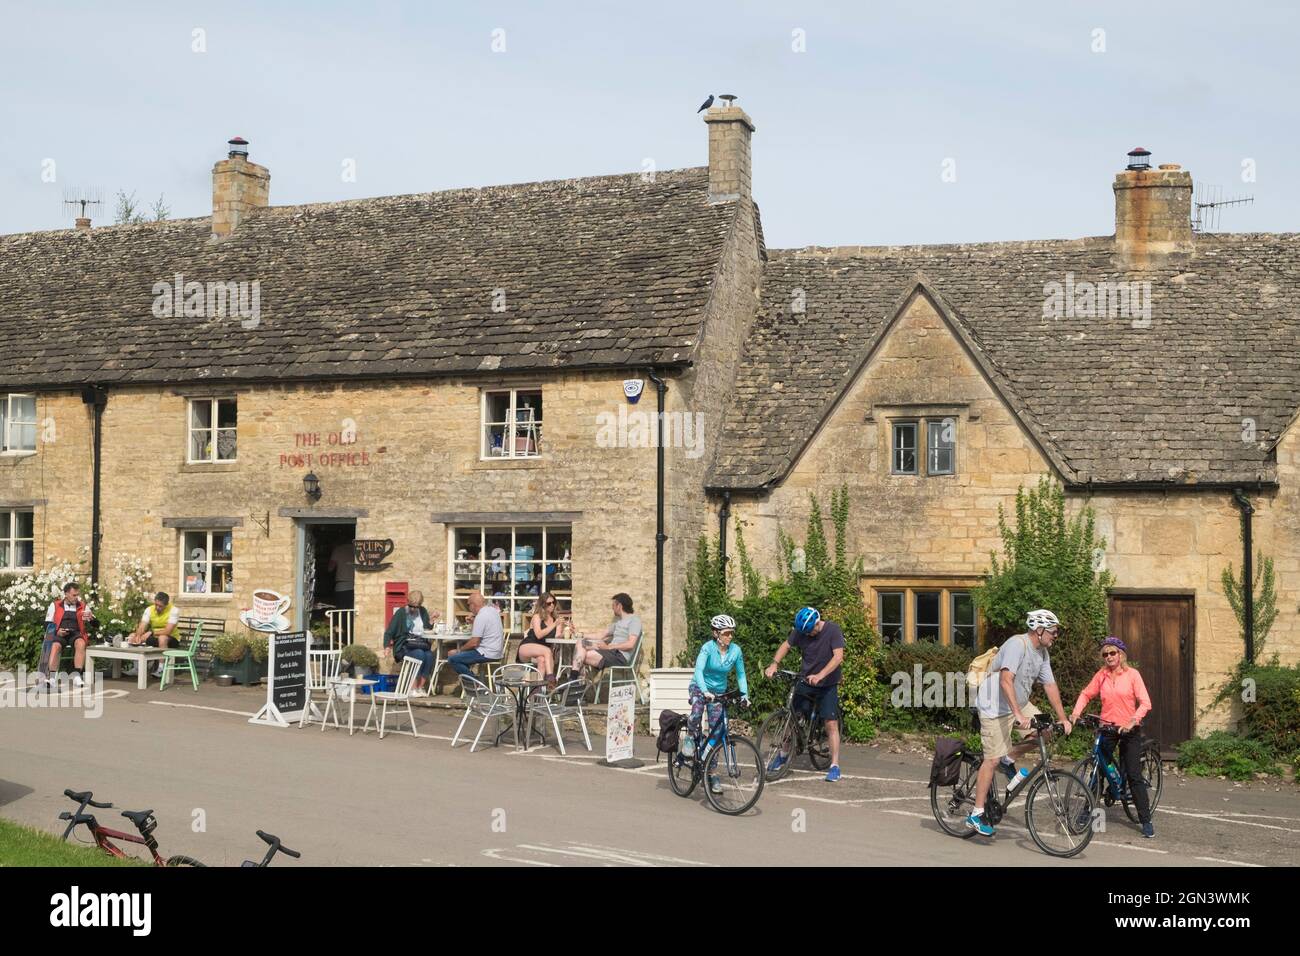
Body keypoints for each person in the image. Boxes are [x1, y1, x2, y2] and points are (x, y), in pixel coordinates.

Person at [966, 609, 1073, 837]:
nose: (1056, 636)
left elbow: (1050, 686)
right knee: (991, 760)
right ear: (1039, 630)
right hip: (994, 706)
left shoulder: (1042, 653)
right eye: (1053, 632)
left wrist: (1063, 718)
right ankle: (976, 813)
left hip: (1018, 703)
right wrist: (1017, 715)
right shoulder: (1018, 645)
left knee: (1045, 732)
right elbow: (1006, 680)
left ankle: (1010, 758)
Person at [1069, 636, 1155, 838]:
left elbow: (1145, 703)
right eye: (1105, 654)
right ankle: (1087, 810)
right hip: (1107, 728)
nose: (1108, 656)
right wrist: (1075, 713)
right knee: (1097, 769)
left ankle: (1146, 820)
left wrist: (1132, 721)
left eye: (1112, 653)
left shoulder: (1133, 675)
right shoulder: (1102, 675)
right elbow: (1086, 694)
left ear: (1121, 654)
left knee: (1133, 776)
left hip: (1129, 730)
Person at [764, 606, 845, 782]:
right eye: (805, 633)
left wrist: (821, 675)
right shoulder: (801, 630)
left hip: (827, 684)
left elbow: (838, 657)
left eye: (810, 632)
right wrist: (774, 664)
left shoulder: (833, 630)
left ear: (817, 622)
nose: (807, 635)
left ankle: (834, 765)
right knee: (791, 718)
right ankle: (783, 755)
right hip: (806, 681)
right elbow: (786, 645)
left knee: (830, 723)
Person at [685, 614, 749, 794]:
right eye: (726, 633)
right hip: (699, 686)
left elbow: (741, 675)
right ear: (716, 633)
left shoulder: (735, 651)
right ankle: (690, 736)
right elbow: (698, 670)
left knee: (718, 731)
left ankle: (711, 773)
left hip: (719, 692)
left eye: (731, 633)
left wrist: (744, 695)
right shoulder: (707, 648)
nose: (730, 636)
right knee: (697, 710)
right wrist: (705, 691)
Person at [382, 590, 439, 696]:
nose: (413, 609)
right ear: (407, 602)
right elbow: (389, 631)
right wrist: (387, 647)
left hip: (420, 644)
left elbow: (427, 627)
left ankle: (420, 688)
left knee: (429, 655)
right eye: (411, 606)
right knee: (419, 654)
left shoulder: (422, 611)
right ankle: (412, 688)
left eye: (416, 607)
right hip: (404, 647)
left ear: (420, 605)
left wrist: (431, 620)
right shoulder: (401, 613)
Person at [572, 593, 641, 677]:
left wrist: (608, 647)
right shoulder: (618, 623)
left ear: (619, 606)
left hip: (619, 656)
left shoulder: (634, 620)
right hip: (609, 652)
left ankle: (575, 678)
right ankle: (575, 677)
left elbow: (630, 644)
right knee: (581, 642)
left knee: (583, 655)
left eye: (613, 605)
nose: (612, 608)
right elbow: (600, 635)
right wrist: (580, 634)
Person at [43, 582, 94, 689]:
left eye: (77, 595)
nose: (76, 598)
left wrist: (91, 618)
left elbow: (95, 624)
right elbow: (47, 624)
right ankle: (51, 677)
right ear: (66, 594)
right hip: (59, 633)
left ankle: (77, 675)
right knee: (55, 646)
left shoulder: (82, 606)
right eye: (74, 595)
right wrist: (57, 631)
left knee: (81, 643)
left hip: (75, 633)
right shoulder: (55, 605)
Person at [448, 590, 504, 680]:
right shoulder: (492, 611)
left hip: (486, 653)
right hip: (497, 652)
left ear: (473, 605)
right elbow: (485, 629)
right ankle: (474, 681)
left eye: (468, 605)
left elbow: (474, 643)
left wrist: (459, 650)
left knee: (453, 659)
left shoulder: (481, 616)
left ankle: (474, 685)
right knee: (462, 658)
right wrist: (474, 622)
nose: (469, 608)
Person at [124, 591, 180, 679]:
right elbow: (142, 625)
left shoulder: (174, 610)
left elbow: (168, 631)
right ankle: (137, 668)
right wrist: (138, 635)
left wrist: (151, 632)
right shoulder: (149, 609)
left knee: (162, 638)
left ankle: (161, 669)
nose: (157, 607)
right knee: (132, 636)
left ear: (166, 605)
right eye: (156, 605)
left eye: (160, 606)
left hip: (171, 639)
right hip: (155, 637)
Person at [519, 592, 561, 686]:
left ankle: (537, 691)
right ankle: (551, 678)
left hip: (543, 652)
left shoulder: (556, 619)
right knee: (547, 651)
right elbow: (538, 635)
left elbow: (557, 638)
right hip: (527, 646)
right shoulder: (537, 617)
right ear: (542, 605)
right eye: (549, 603)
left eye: (553, 602)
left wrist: (568, 631)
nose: (552, 605)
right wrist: (554, 625)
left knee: (542, 660)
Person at [327, 539, 354, 610]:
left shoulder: (338, 550)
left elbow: (330, 568)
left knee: (341, 612)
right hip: (356, 586)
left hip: (342, 586)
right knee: (353, 612)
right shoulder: (357, 549)